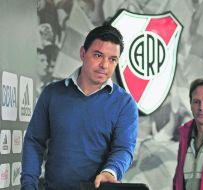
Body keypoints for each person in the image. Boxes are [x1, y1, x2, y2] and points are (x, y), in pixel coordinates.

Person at [21, 24, 139, 190]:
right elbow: (34, 141)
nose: (105, 65)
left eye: (112, 59)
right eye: (98, 55)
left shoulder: (125, 104)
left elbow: (124, 149)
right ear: (83, 53)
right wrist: (28, 185)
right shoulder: (52, 93)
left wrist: (111, 171)